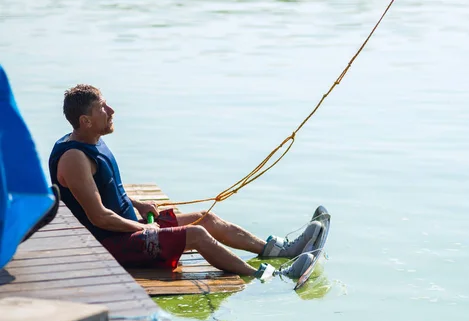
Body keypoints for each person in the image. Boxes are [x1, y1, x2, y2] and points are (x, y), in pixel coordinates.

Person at [48, 84, 322, 279]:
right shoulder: (73, 158)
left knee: (205, 218)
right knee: (196, 234)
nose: (111, 110)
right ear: (85, 121)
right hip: (108, 245)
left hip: (129, 229)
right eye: (101, 108)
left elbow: (100, 191)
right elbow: (99, 218)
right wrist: (142, 230)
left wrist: (138, 203)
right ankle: (272, 277)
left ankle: (277, 251)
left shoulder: (89, 140)